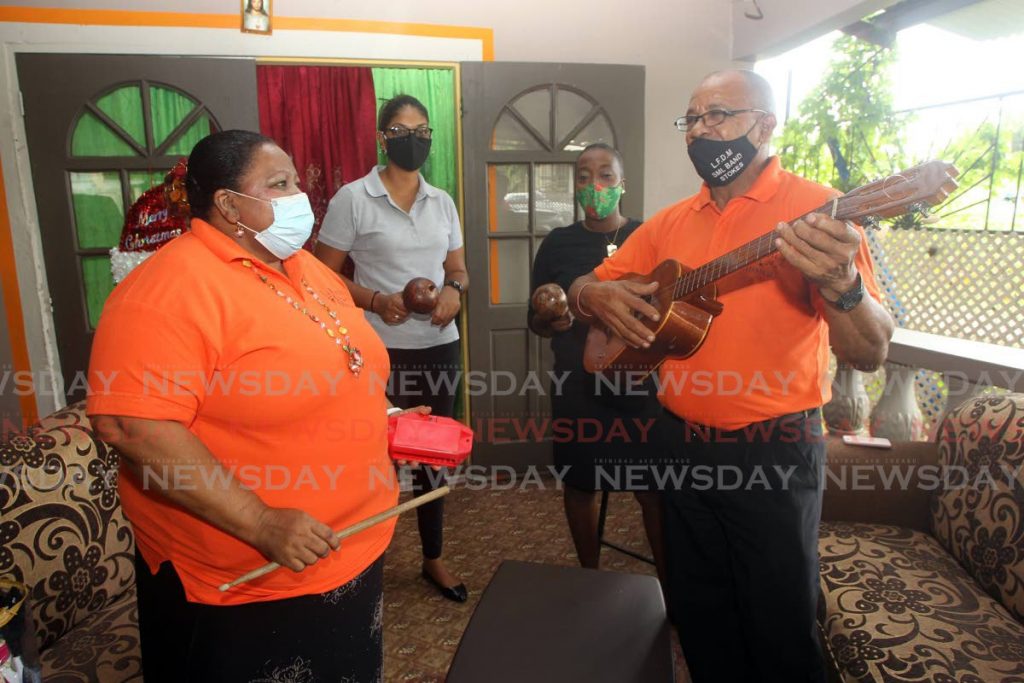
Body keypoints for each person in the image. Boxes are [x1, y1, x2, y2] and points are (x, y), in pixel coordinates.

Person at [567, 70, 894, 682]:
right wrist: (593, 296)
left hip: (773, 452)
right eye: (691, 119)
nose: (700, 130)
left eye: (717, 115)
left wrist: (842, 287)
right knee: (699, 614)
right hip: (677, 443)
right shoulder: (670, 221)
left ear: (766, 126)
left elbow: (870, 352)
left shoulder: (817, 210)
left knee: (780, 628)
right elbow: (587, 286)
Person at [86, 130, 416, 682]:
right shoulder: (165, 290)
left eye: (296, 181)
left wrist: (386, 419)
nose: (299, 197)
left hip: (353, 543)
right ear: (229, 204)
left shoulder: (304, 269)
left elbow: (345, 361)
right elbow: (132, 424)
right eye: (279, 184)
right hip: (250, 574)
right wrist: (259, 520)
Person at [315, 94, 470, 602]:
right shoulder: (352, 199)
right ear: (383, 138)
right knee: (371, 459)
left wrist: (454, 292)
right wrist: (376, 300)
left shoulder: (441, 201)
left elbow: (459, 270)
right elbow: (320, 276)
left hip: (437, 347)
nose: (415, 139)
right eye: (403, 130)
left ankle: (434, 558)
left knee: (431, 459)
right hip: (376, 351)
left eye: (424, 131)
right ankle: (362, 561)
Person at [528, 143, 667, 583]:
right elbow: (534, 321)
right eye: (584, 177)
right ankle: (589, 577)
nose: (594, 185)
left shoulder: (648, 238)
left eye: (605, 175)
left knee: (653, 489)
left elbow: (667, 308)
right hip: (577, 387)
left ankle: (670, 584)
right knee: (580, 483)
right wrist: (553, 319)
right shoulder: (557, 244)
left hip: (640, 385)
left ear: (622, 184)